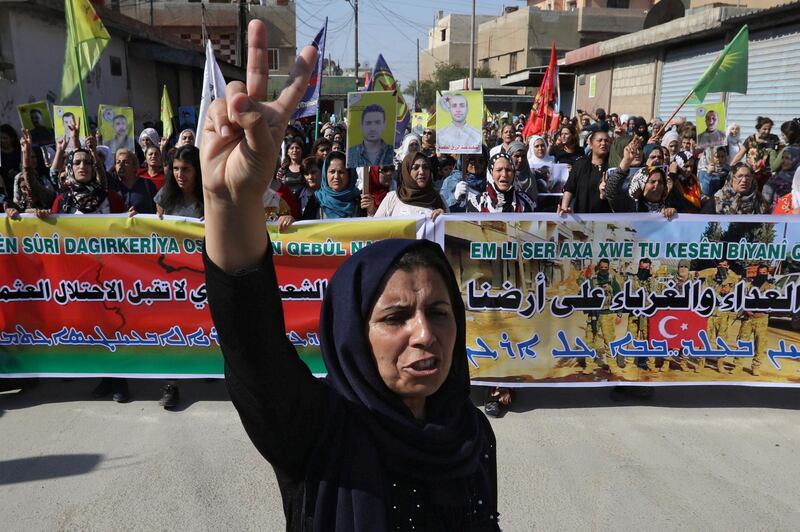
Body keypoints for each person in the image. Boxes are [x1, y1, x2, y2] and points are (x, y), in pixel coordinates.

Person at [200, 21, 499, 529]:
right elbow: (253, 350)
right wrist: (230, 204)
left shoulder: (472, 435)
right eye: (396, 317)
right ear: (352, 336)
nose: (424, 334)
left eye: (439, 312)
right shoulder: (316, 431)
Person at [374, 152, 446, 218]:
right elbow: (376, 227)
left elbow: (450, 229)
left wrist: (443, 218)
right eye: (415, 168)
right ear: (406, 172)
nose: (421, 171)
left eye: (425, 167)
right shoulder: (392, 198)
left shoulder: (438, 199)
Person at [558, 126, 611, 214]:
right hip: (582, 216)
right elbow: (569, 188)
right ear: (591, 143)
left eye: (606, 141)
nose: (603, 143)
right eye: (599, 140)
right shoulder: (580, 164)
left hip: (606, 218)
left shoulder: (612, 166)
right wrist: (564, 208)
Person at [4, 129, 55, 219]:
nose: (28, 192)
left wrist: (26, 151)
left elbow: (31, 182)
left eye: (33, 157)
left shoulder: (44, 178)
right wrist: (11, 209)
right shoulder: (19, 177)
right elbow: (16, 203)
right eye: (23, 188)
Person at [467, 152, 535, 213]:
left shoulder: (526, 202)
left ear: (514, 173)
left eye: (508, 170)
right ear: (491, 174)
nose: (504, 174)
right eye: (499, 170)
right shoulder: (476, 204)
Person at [738, 264, 773, 376]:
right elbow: (742, 299)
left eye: (764, 273)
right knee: (742, 342)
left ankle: (756, 366)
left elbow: (772, 303)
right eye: (760, 273)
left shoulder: (770, 287)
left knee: (760, 344)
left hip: (761, 318)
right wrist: (746, 310)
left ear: (767, 273)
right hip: (748, 318)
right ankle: (738, 365)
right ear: (757, 273)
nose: (762, 275)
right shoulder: (749, 285)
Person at [315, 151, 370, 218]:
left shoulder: (361, 201)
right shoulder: (316, 200)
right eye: (332, 172)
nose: (336, 176)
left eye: (341, 172)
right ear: (325, 174)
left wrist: (371, 211)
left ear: (349, 175)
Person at [703, 162, 769, 215]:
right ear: (732, 178)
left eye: (748, 177)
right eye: (740, 176)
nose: (744, 180)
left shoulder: (760, 201)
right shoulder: (716, 200)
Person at [107, 148, 157, 215]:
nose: (121, 165)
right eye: (118, 162)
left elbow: (157, 210)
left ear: (134, 166)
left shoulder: (147, 184)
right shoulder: (111, 184)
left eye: (126, 162)